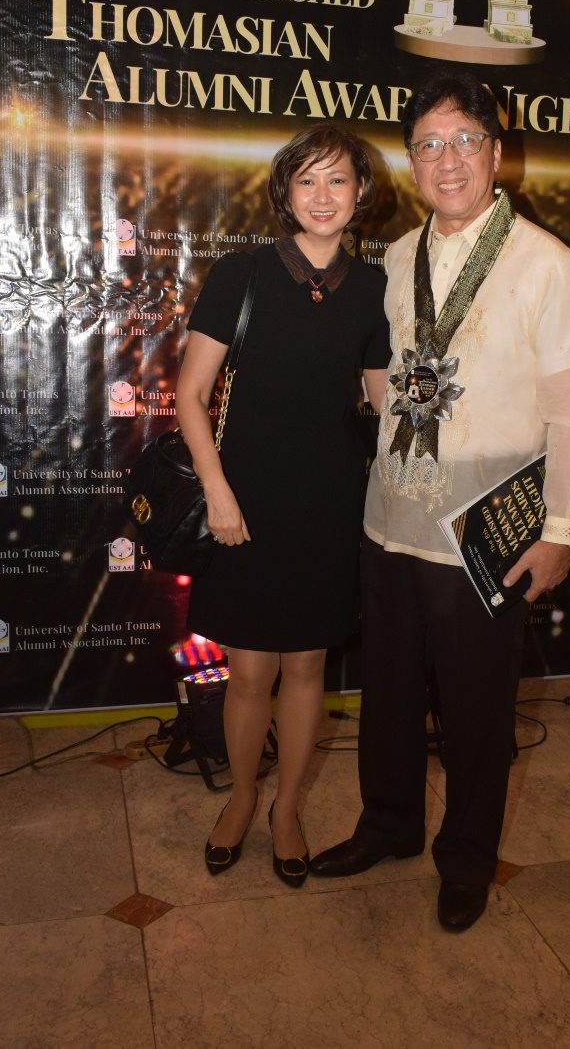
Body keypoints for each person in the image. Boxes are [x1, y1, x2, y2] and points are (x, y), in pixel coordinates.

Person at [310, 71, 570, 930]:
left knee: (476, 708)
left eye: (465, 141)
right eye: (428, 144)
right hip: (392, 517)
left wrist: (561, 529)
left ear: (496, 153)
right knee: (389, 692)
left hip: (484, 532)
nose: (447, 161)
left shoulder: (549, 266)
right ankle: (389, 824)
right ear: (410, 161)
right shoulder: (397, 256)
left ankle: (467, 857)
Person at [176, 125, 389, 885]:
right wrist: (218, 491)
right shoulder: (243, 273)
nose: (323, 196)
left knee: (306, 667)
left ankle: (288, 808)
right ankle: (242, 798)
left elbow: (384, 402)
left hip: (330, 501)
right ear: (285, 192)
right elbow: (191, 396)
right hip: (246, 500)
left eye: (338, 180)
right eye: (307, 180)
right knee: (249, 672)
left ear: (361, 192)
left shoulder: (376, 289)